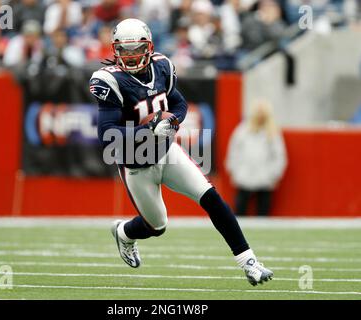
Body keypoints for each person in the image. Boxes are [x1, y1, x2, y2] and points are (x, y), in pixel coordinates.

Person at [90, 18, 273, 286]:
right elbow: (108, 136)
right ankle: (124, 232)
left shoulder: (163, 67)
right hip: (136, 164)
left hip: (166, 152)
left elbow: (178, 103)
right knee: (157, 226)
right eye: (125, 50)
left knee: (210, 198)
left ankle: (249, 261)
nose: (130, 56)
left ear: (149, 47)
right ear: (115, 50)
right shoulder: (109, 80)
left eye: (136, 49)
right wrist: (150, 130)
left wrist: (173, 120)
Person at [226, 99, 287, 216]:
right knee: (239, 215)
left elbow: (279, 156)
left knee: (263, 216)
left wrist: (273, 176)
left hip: (265, 181)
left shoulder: (273, 132)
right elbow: (233, 152)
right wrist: (236, 173)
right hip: (244, 179)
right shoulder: (242, 130)